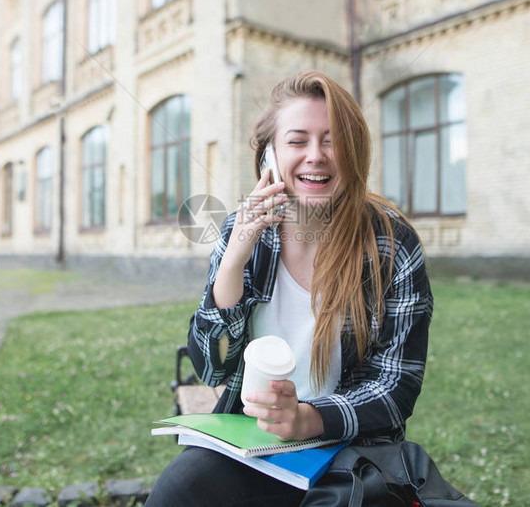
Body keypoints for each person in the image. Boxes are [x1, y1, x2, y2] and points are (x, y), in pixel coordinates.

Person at [147, 70, 433, 506]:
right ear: (271, 158)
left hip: (349, 446)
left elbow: (396, 385)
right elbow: (212, 370)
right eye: (298, 141)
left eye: (332, 140)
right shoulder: (241, 233)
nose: (316, 156)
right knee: (177, 492)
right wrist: (233, 261)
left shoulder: (391, 242)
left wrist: (307, 419)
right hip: (254, 441)